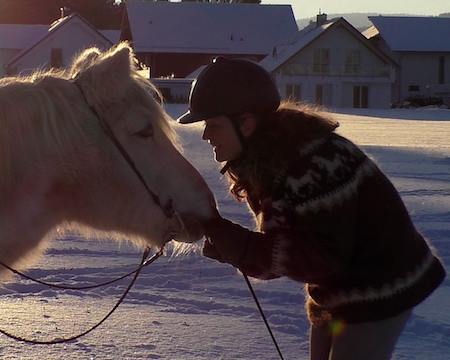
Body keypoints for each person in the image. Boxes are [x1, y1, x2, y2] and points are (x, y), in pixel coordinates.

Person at [177, 57, 446, 360]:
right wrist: (215, 231)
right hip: (338, 288)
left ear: (247, 124)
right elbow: (286, 245)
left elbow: (320, 257)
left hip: (381, 289)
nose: (205, 135)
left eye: (212, 125)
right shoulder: (270, 158)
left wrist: (237, 244)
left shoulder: (312, 164)